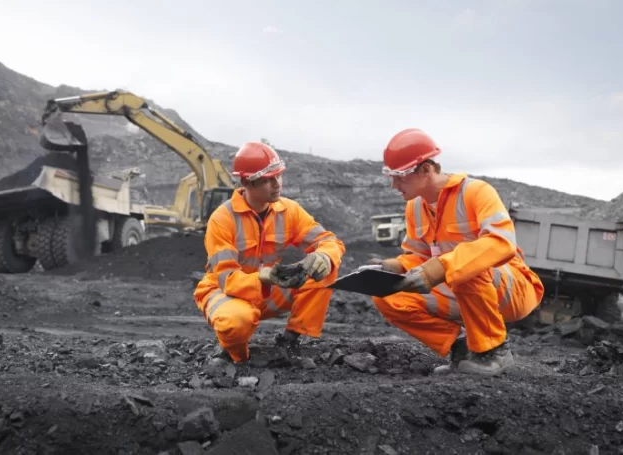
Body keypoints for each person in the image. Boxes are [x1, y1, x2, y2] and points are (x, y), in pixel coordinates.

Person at [368, 128, 544, 376]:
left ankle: (494, 351)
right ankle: (461, 347)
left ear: (426, 170)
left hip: (512, 289)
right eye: (390, 176)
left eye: (400, 176)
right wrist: (393, 268)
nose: (393, 184)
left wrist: (443, 267)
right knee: (388, 296)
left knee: (465, 268)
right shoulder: (414, 208)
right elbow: (420, 258)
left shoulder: (475, 192)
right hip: (463, 290)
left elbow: (501, 242)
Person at [193, 141, 346, 363]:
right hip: (226, 293)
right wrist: (265, 276)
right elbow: (227, 280)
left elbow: (330, 241)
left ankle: (290, 342)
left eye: (279, 176)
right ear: (247, 181)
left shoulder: (289, 210)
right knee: (235, 322)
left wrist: (324, 255)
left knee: (325, 266)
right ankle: (237, 357)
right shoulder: (222, 219)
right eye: (268, 179)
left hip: (268, 290)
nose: (277, 184)